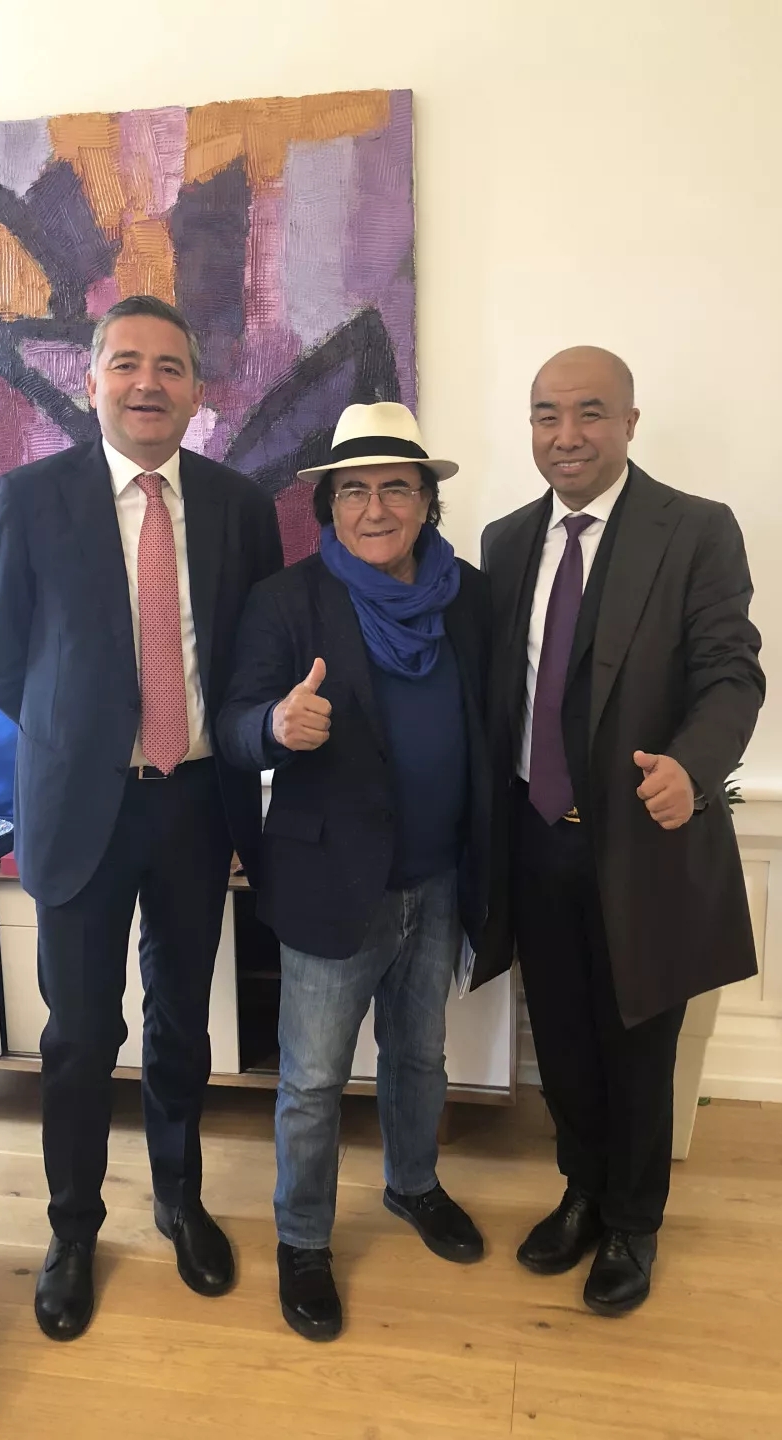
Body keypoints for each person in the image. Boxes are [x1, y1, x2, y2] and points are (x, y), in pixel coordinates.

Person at [0, 294, 283, 1341]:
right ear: (92, 379)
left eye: (170, 366)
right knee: (78, 1036)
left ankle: (180, 1202)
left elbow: (254, 659)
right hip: (80, 810)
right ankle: (72, 1230)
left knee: (182, 1021)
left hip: (197, 804)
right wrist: (83, 738)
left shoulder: (241, 507)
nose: (148, 382)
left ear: (197, 390)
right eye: (127, 363)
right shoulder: (29, 498)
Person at [481, 347, 764, 1316]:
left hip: (645, 840)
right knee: (561, 1041)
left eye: (590, 413)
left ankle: (634, 1222)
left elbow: (732, 673)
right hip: (537, 839)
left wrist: (693, 764)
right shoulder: (505, 540)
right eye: (546, 415)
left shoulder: (696, 530)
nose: (566, 435)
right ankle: (584, 1192)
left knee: (639, 1045)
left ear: (630, 423)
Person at [218, 402, 498, 1342]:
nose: (375, 508)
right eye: (353, 491)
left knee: (420, 1056)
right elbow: (233, 725)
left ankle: (413, 1184)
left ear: (426, 501)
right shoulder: (286, 601)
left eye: (395, 488)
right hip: (331, 881)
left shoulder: (469, 597)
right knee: (311, 1081)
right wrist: (273, 727)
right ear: (329, 505)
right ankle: (303, 1240)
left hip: (439, 875)